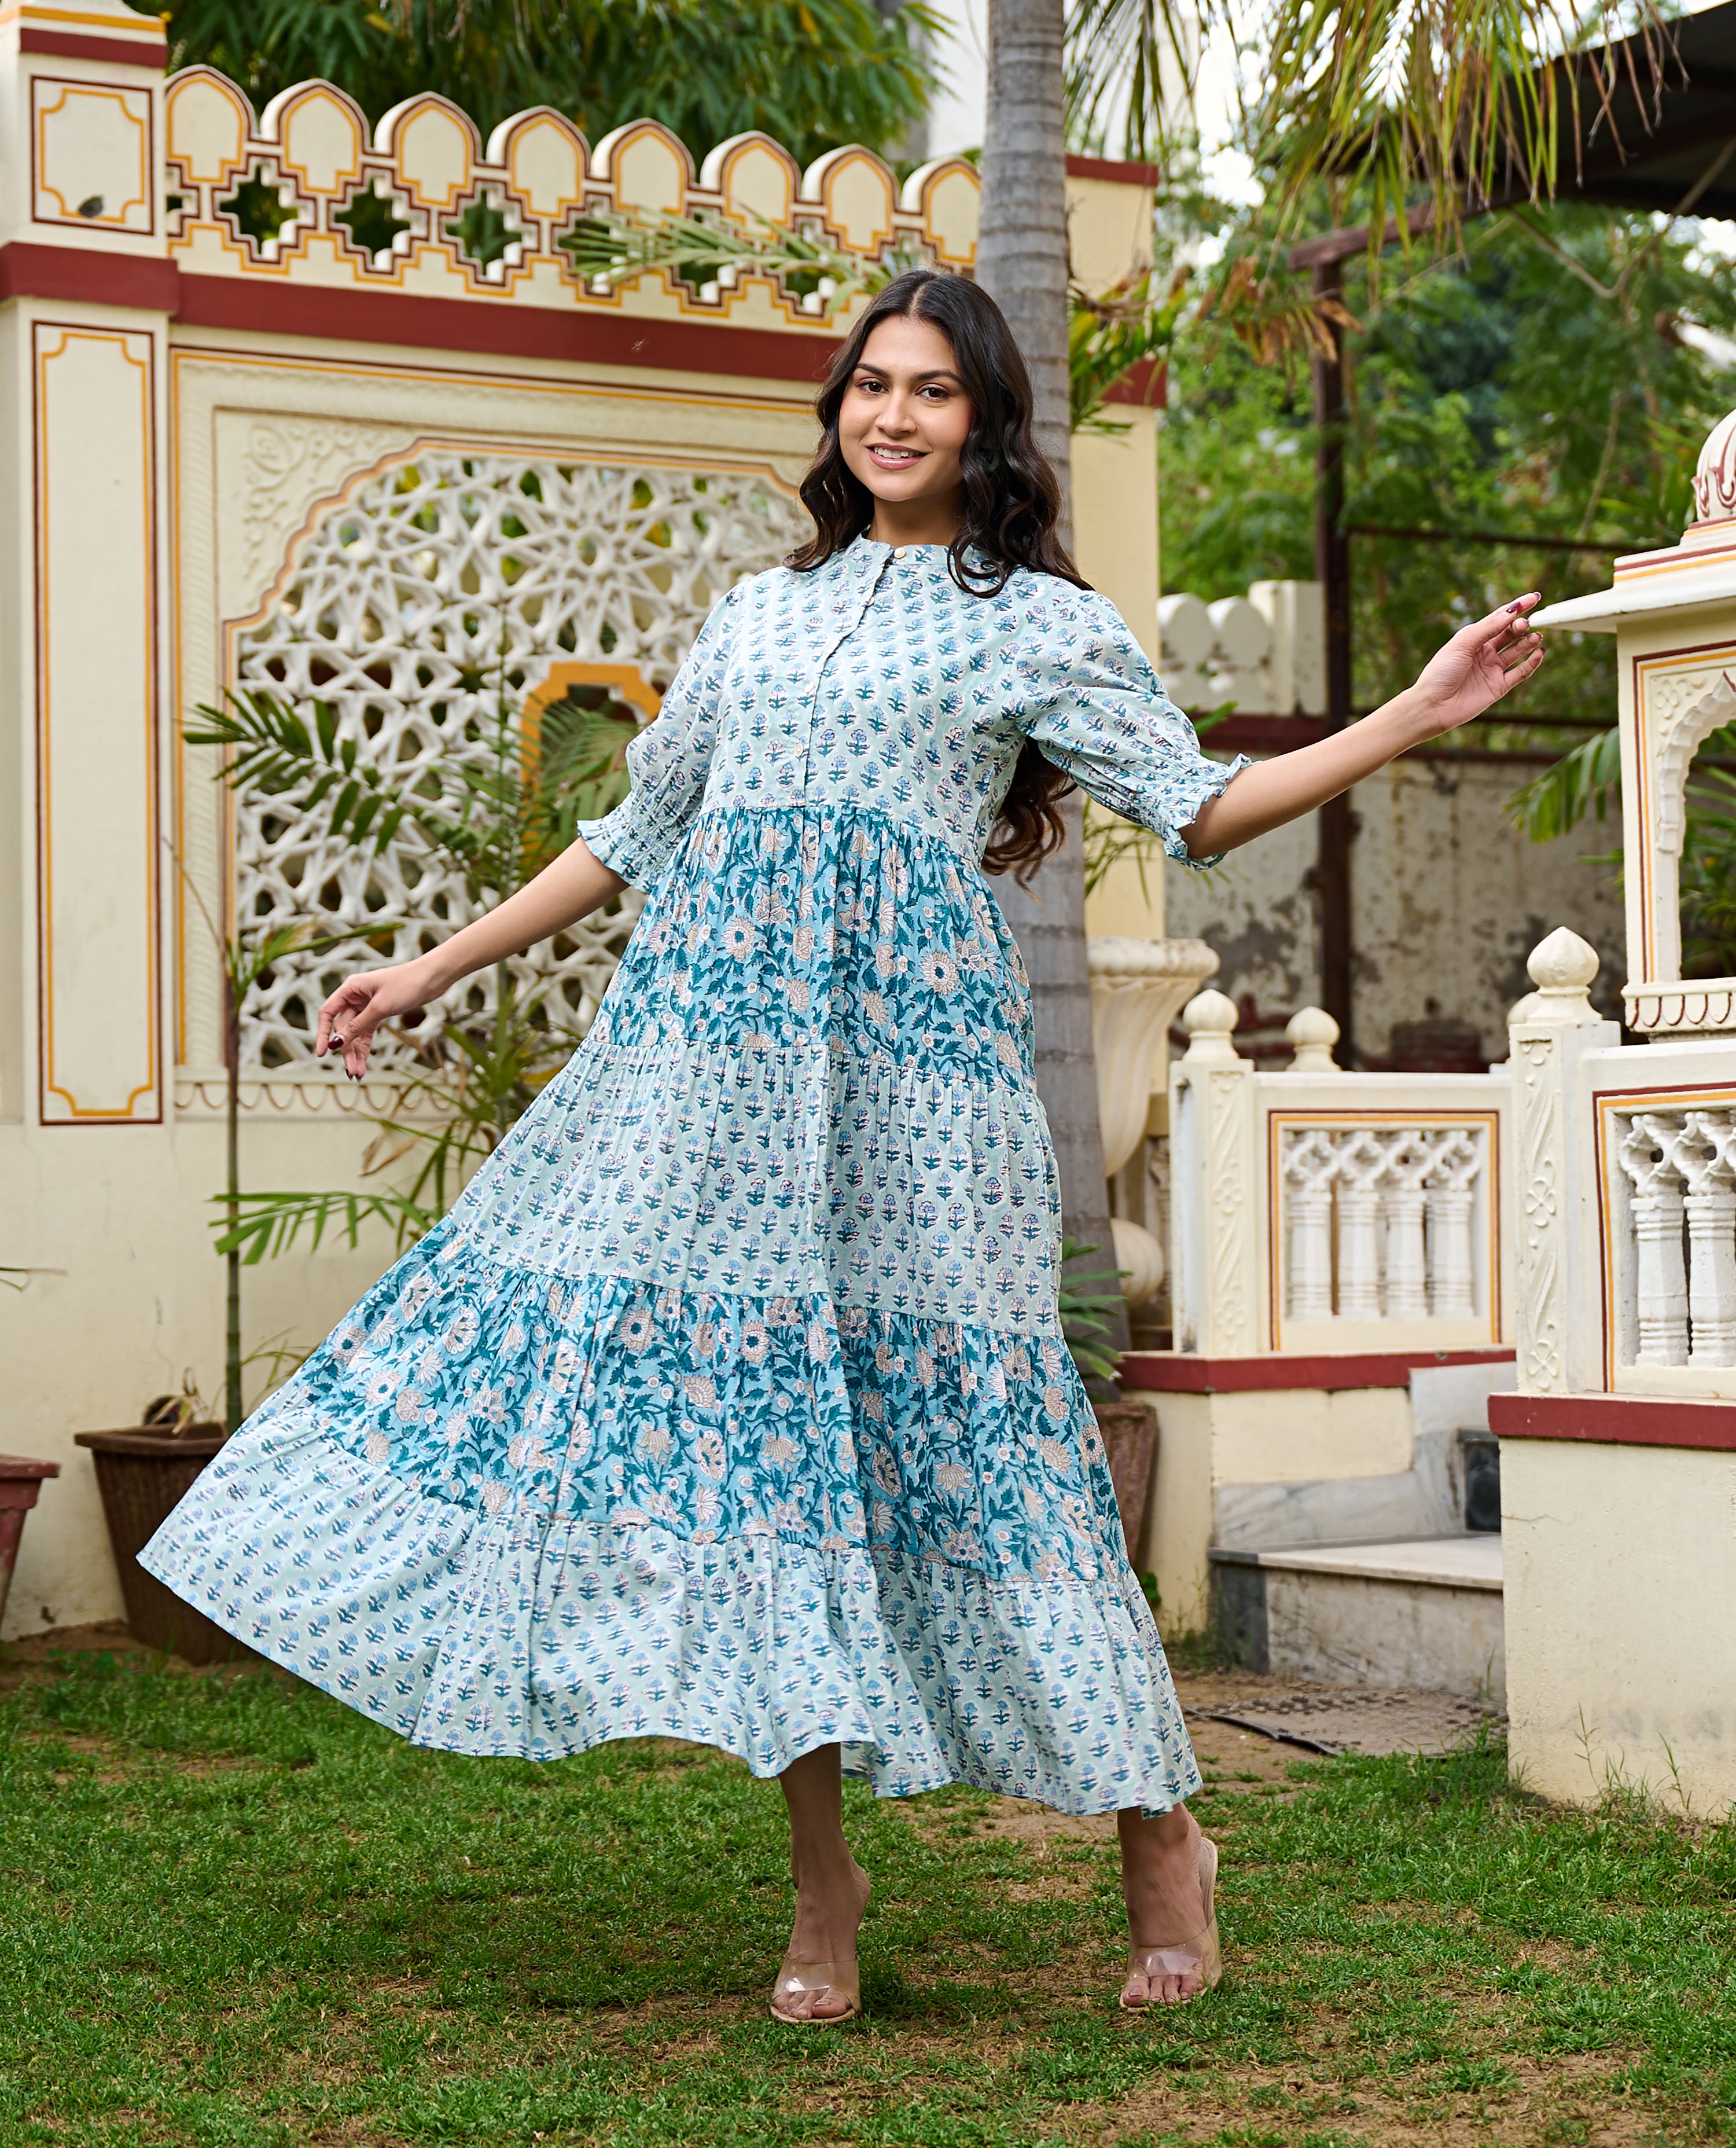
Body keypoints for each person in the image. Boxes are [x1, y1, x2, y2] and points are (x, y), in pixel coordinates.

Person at [141, 267, 1543, 2023]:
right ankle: (822, 1888)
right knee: (771, 1477)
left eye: (932, 391)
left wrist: (1411, 713)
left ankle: (1158, 1835)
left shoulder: (1033, 618)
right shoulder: (754, 617)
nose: (891, 415)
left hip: (920, 1097)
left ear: (985, 422)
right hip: (712, 1085)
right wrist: (430, 963)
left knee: (1007, 1449)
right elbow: (633, 840)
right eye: (868, 385)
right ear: (837, 412)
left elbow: (1200, 802)